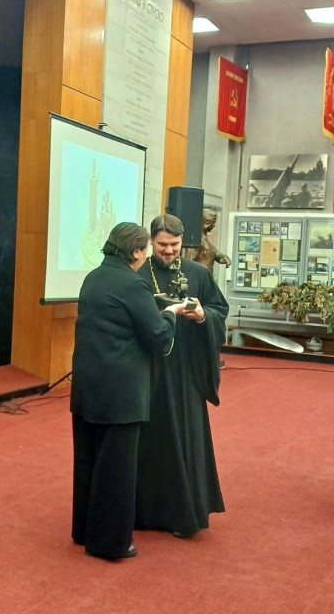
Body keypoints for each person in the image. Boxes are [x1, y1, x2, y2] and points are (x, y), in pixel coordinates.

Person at [70, 222, 189, 560]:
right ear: (136, 251)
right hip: (120, 392)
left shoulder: (93, 277)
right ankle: (110, 543)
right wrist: (171, 313)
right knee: (116, 470)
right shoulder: (134, 284)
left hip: (87, 386)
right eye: (146, 249)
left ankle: (84, 531)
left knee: (88, 461)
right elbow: (159, 337)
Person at [135, 214, 229, 538]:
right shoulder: (138, 275)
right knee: (149, 442)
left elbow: (220, 311)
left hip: (185, 372)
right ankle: (145, 513)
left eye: (174, 245)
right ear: (151, 242)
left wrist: (203, 316)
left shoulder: (198, 273)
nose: (169, 250)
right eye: (162, 244)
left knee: (185, 440)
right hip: (148, 369)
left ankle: (183, 515)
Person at [191, 208, 232, 273]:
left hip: (206, 276)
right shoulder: (196, 239)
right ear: (206, 222)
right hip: (199, 276)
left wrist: (224, 257)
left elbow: (215, 252)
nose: (214, 225)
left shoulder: (205, 239)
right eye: (212, 222)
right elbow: (189, 261)